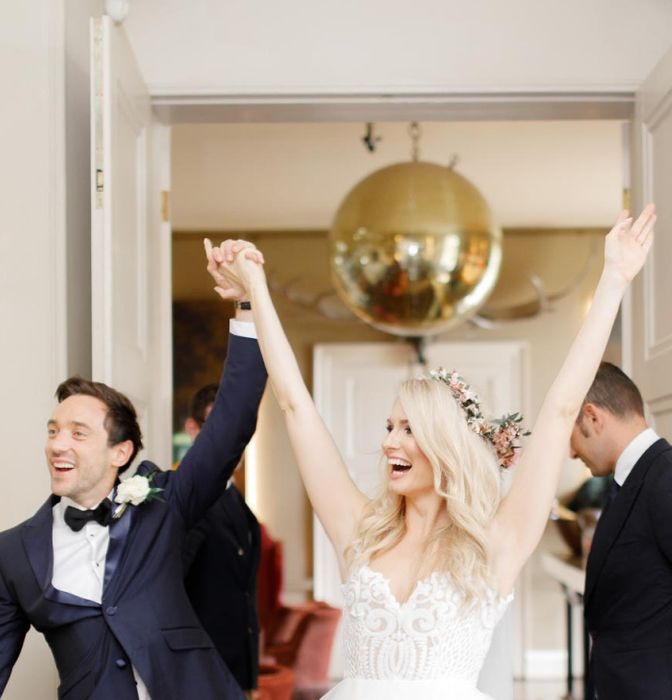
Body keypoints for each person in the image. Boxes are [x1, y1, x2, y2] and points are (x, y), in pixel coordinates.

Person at [203, 204, 656, 700]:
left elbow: (559, 409)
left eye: (409, 429)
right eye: (389, 426)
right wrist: (254, 294)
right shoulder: (359, 532)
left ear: (446, 448)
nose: (389, 442)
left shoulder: (495, 544)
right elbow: (294, 405)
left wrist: (614, 278)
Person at [0, 294, 267, 699]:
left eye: (78, 433)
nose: (58, 445)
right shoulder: (14, 553)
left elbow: (232, 418)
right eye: (53, 431)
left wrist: (246, 305)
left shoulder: (164, 506)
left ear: (121, 452)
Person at [570, 362, 672, 700]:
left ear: (593, 417)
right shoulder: (627, 480)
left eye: (570, 435)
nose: (571, 453)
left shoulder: (665, 477)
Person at [181, 383, 262, 696]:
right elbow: (167, 585)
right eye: (220, 426)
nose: (234, 438)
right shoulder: (188, 500)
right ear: (192, 429)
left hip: (238, 669)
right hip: (200, 672)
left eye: (240, 427)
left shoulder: (233, 496)